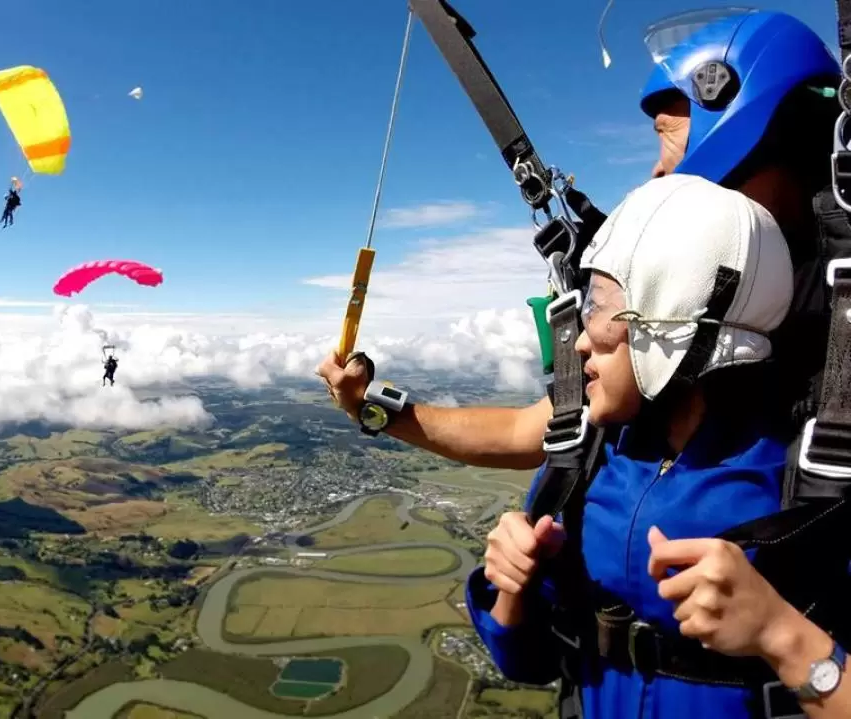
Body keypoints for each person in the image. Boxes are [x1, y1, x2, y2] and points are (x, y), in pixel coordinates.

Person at [316, 9, 840, 471]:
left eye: (665, 133)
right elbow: (539, 431)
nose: (657, 171)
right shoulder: (664, 296)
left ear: (740, 120)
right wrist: (374, 407)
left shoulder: (833, 310)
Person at [473, 173, 849, 717]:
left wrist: (782, 636)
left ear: (669, 316)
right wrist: (513, 589)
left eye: (598, 308)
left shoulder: (813, 486)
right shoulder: (590, 460)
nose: (578, 339)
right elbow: (528, 664)